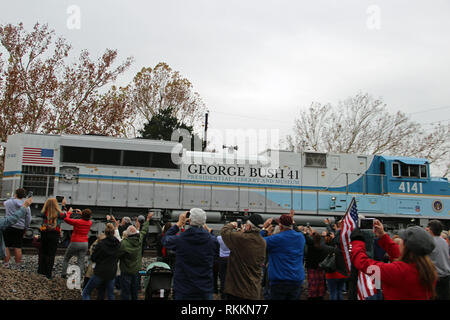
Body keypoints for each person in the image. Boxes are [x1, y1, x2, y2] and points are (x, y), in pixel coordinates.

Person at [351, 219, 437, 300]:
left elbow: (363, 263)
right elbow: (398, 254)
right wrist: (383, 236)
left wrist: (357, 241)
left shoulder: (398, 271)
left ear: (406, 247)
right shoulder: (428, 270)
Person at [162, 208, 219, 300]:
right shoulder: (212, 240)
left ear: (189, 220)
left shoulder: (180, 239)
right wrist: (208, 230)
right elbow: (216, 248)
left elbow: (165, 240)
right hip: (204, 288)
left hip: (184, 288)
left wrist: (178, 224)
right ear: (204, 222)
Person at [220, 214, 266, 300]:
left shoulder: (241, 238)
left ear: (248, 226)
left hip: (238, 291)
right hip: (253, 290)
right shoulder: (262, 242)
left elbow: (224, 232)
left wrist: (232, 224)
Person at [261, 214, 305, 300]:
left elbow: (256, 241)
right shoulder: (300, 237)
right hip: (297, 279)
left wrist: (264, 229)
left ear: (280, 226)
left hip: (280, 280)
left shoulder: (276, 239)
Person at [118, 212, 153, 300]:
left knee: (125, 292)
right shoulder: (139, 239)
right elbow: (144, 231)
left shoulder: (124, 243)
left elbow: (117, 255)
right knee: (134, 292)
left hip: (126, 271)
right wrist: (148, 220)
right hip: (136, 271)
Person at [82, 223, 121, 300]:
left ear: (105, 233)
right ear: (113, 233)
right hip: (112, 272)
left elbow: (93, 258)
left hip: (100, 271)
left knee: (86, 292)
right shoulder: (118, 244)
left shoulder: (101, 244)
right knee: (110, 295)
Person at [38, 198, 68, 279]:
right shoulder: (59, 213)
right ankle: (48, 273)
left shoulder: (44, 212)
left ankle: (41, 271)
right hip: (54, 234)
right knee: (51, 254)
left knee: (43, 252)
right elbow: (65, 214)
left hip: (44, 233)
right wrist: (63, 205)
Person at [61, 208, 93, 279]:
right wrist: (81, 213)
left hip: (75, 242)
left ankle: (63, 274)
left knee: (66, 258)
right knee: (81, 261)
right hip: (85, 243)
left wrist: (69, 212)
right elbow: (86, 217)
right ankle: (79, 277)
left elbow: (66, 219)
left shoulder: (78, 222)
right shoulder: (90, 222)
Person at [3, 188, 32, 266]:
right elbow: (28, 218)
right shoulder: (26, 206)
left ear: (15, 194)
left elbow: (4, 203)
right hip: (20, 227)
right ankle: (18, 264)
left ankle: (6, 263)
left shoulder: (8, 202)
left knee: (6, 245)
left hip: (8, 226)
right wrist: (26, 227)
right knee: (18, 246)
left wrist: (13, 197)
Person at [426, 220, 450, 300]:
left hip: (435, 278)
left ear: (431, 230)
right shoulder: (444, 242)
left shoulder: (429, 242)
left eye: (428, 229)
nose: (426, 231)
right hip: (446, 276)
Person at [304, 229, 328, 300]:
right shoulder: (322, 247)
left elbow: (307, 239)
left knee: (312, 284)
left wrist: (305, 233)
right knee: (320, 284)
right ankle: (320, 296)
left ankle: (312, 296)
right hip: (320, 268)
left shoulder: (311, 247)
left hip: (311, 268)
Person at [216, 235, 230, 300]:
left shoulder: (219, 238)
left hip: (222, 258)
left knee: (222, 278)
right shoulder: (233, 237)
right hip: (230, 258)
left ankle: (223, 295)